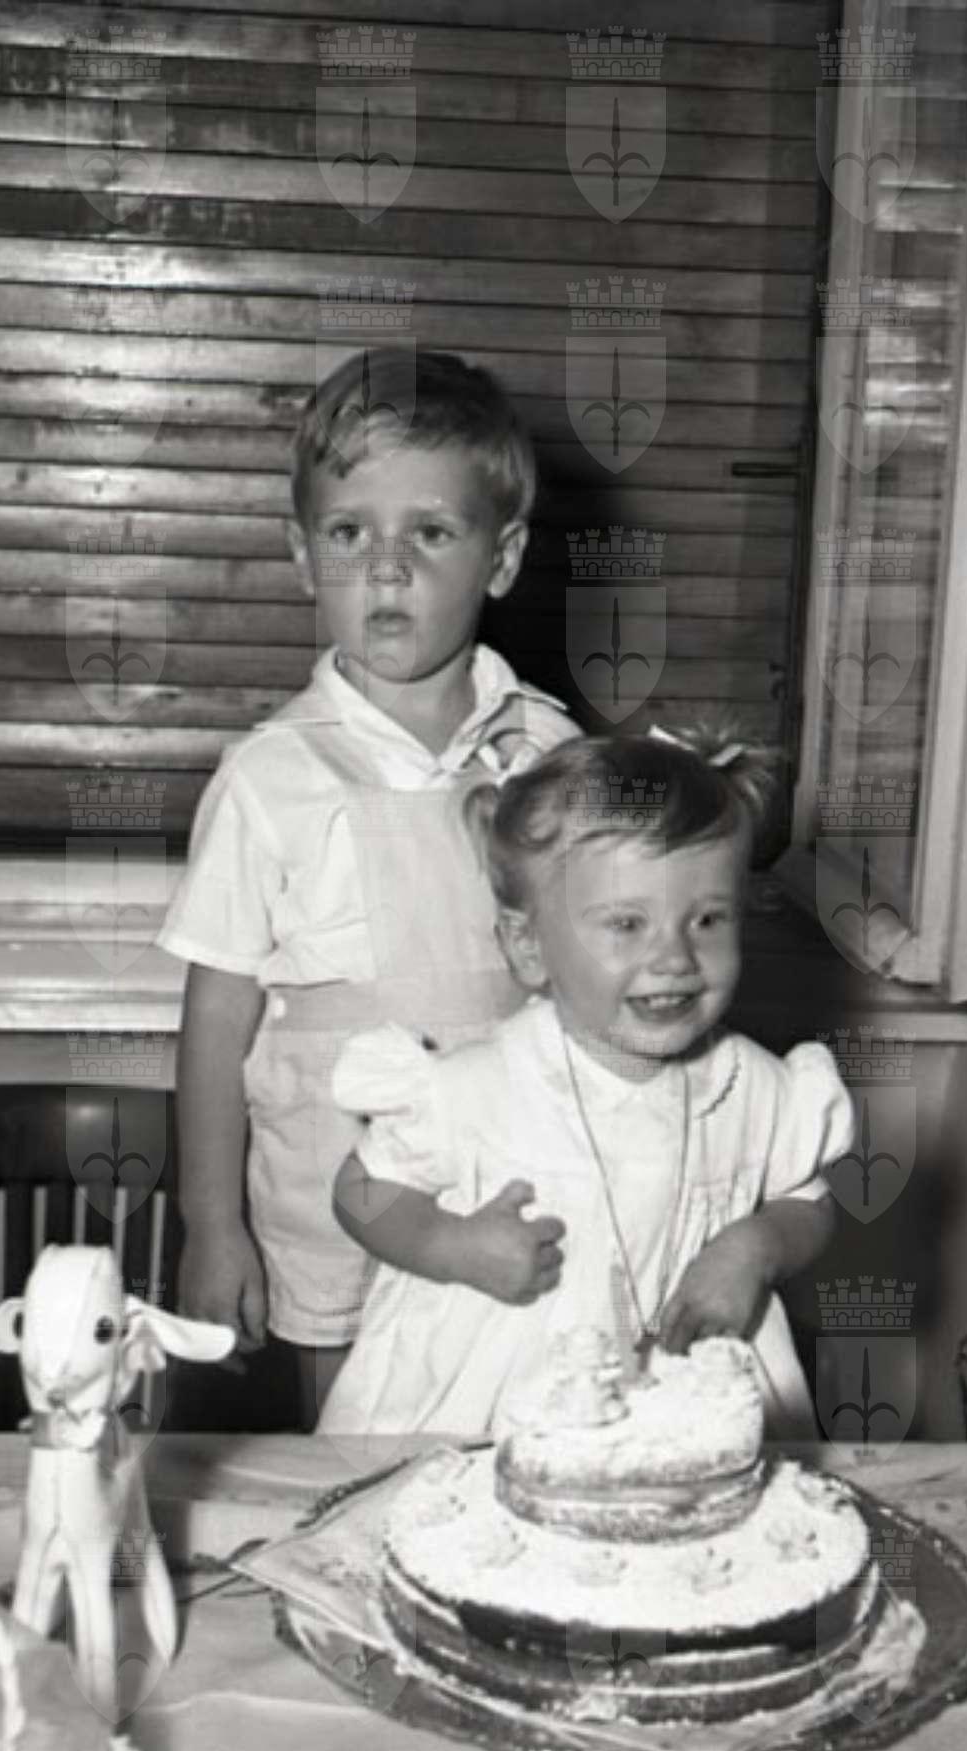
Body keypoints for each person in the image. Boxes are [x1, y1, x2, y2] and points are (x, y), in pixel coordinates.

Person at [160, 348, 578, 1426]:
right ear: (304, 556)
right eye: (350, 533)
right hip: (332, 1212)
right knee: (354, 1462)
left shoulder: (551, 756)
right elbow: (214, 1024)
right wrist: (213, 1226)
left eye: (428, 532)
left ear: (501, 557)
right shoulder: (270, 775)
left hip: (512, 1192)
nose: (385, 569)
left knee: (525, 1440)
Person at [317, 728, 856, 1438]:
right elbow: (360, 1191)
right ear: (528, 945)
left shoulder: (756, 1087)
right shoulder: (475, 1088)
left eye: (706, 919)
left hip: (685, 1400)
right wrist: (449, 1246)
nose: (674, 957)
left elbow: (806, 1204)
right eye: (627, 924)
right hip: (494, 1404)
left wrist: (755, 1247)